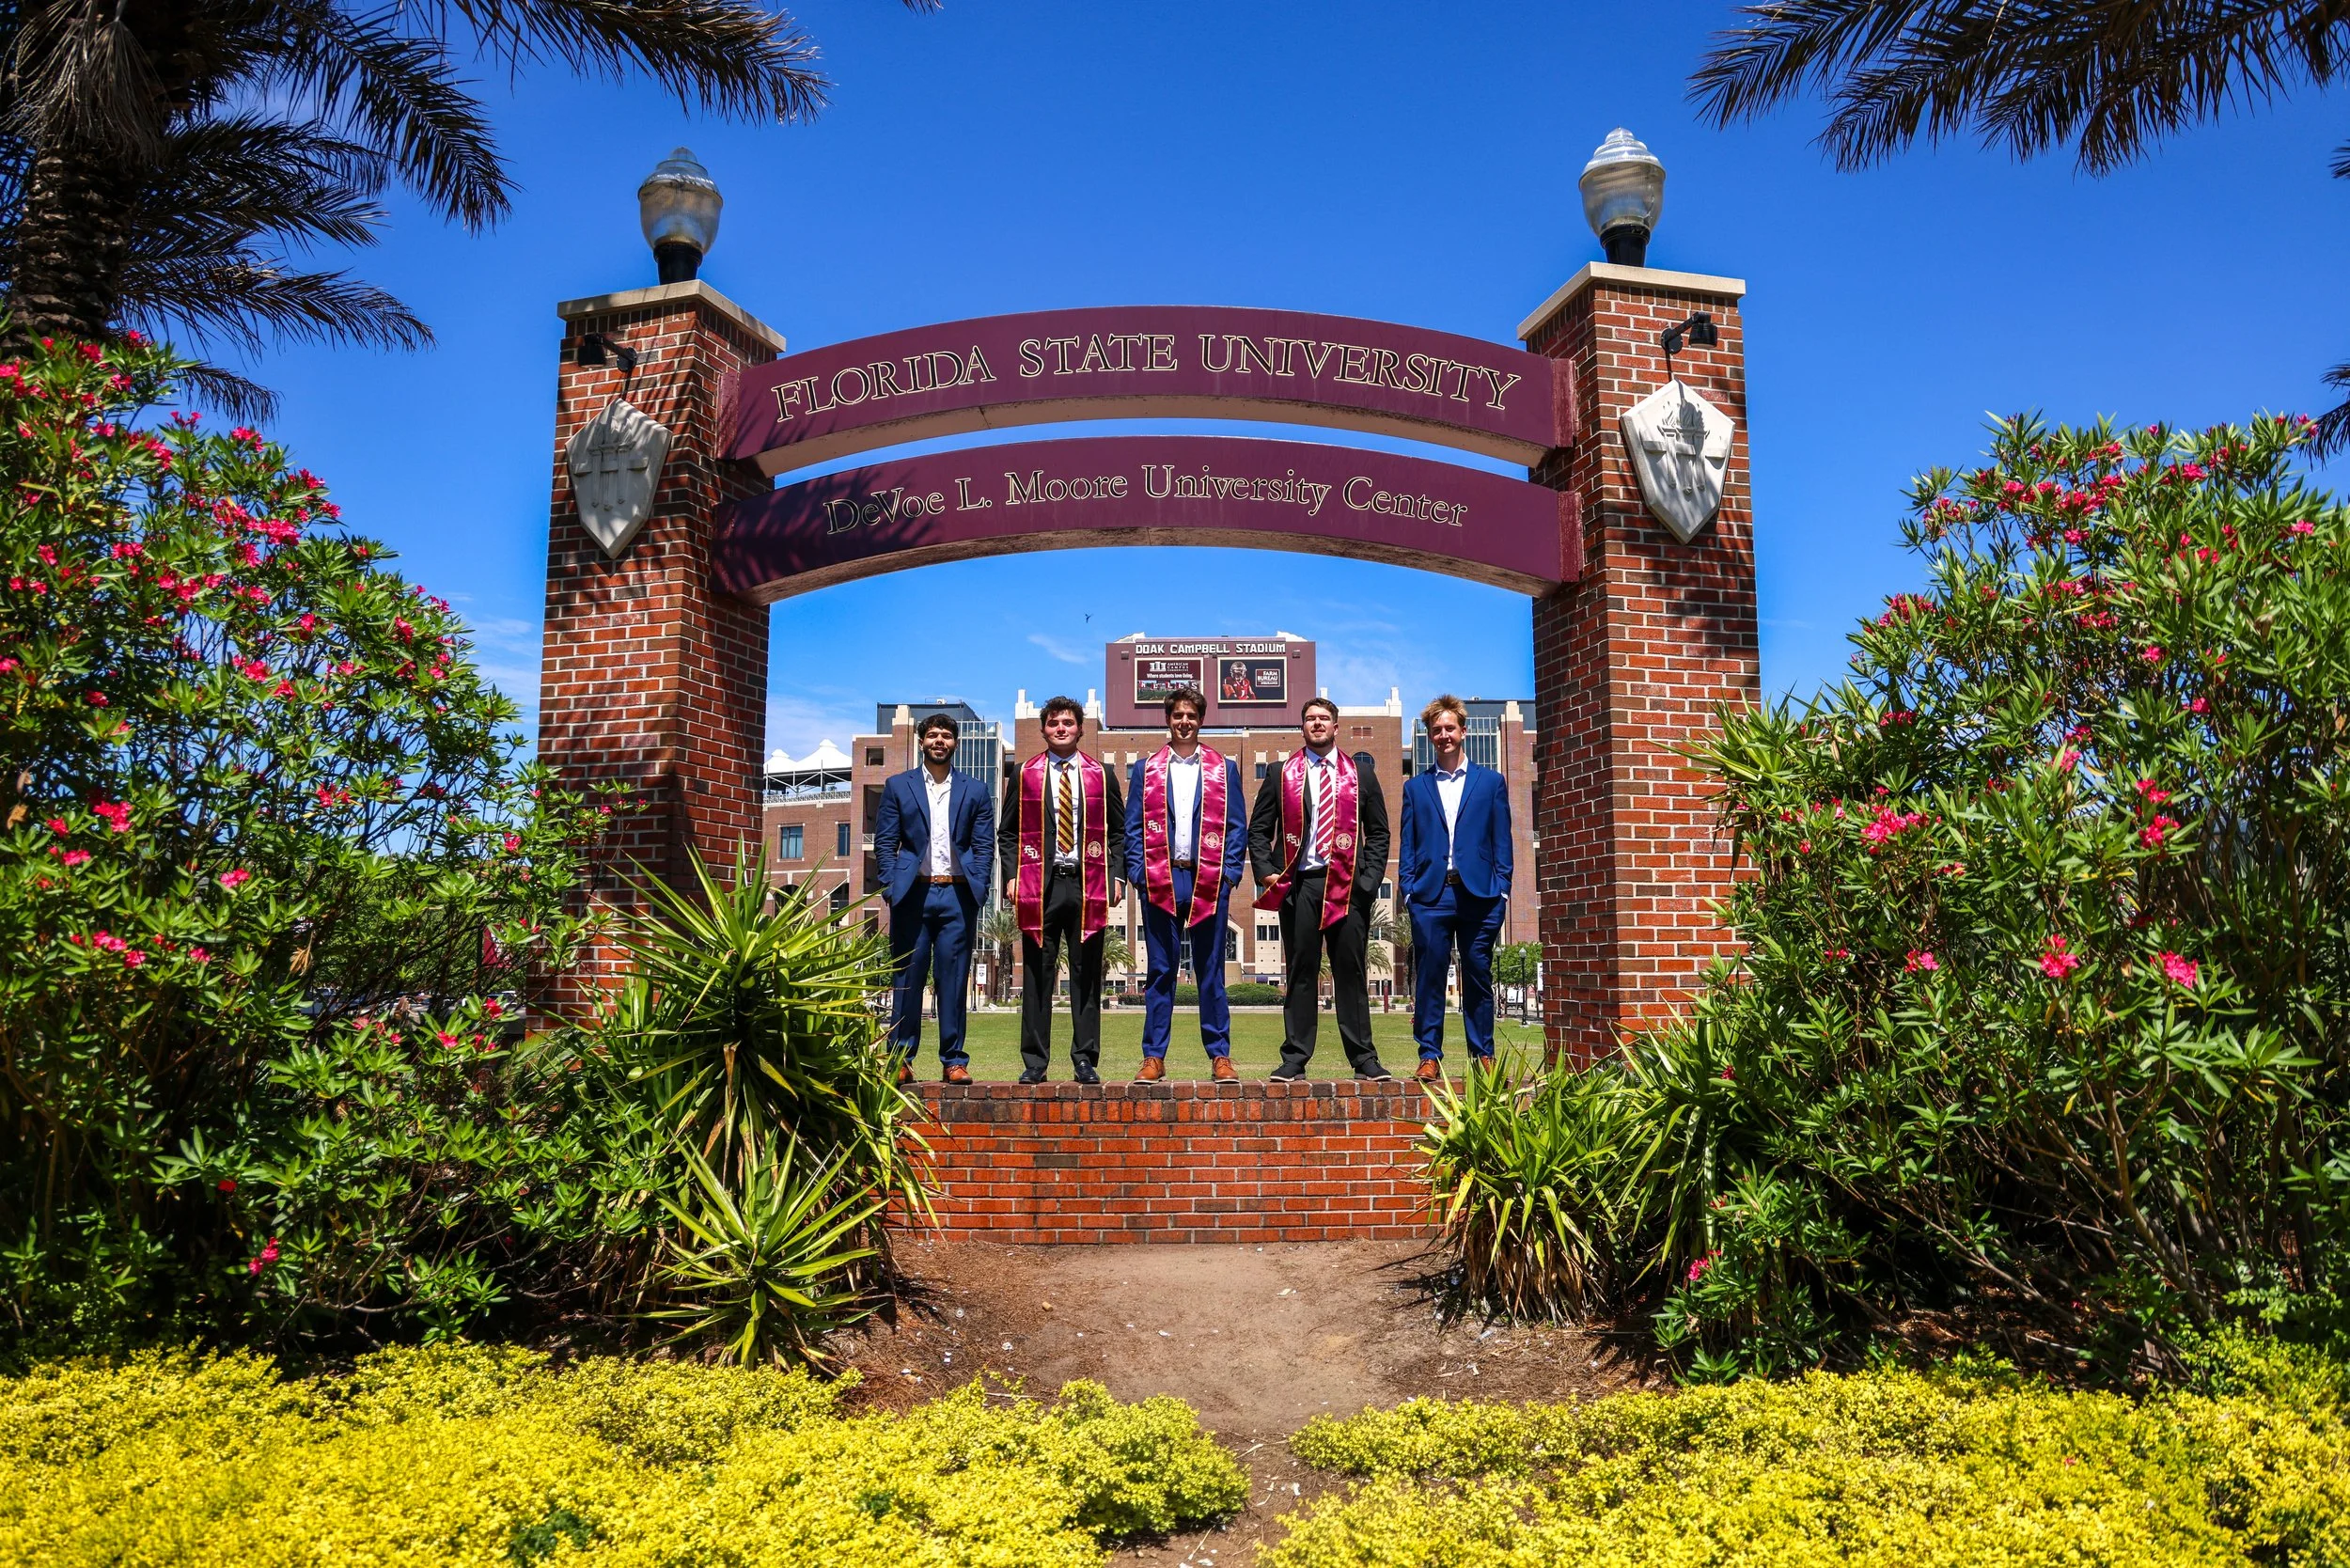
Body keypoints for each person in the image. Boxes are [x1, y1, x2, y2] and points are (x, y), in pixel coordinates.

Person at [1249, 696, 1394, 1081]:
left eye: (1324, 718)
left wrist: (1368, 882)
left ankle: (1364, 1059)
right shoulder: (1282, 773)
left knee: (1351, 971)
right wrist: (1267, 872)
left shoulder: (1360, 773)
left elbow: (1379, 833)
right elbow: (1259, 830)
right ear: (1302, 727)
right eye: (1310, 718)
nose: (1317, 724)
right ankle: (1295, 1058)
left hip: (1349, 887)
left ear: (1336, 726)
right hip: (1300, 887)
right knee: (1300, 971)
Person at [998, 695, 1126, 1085]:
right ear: (1043, 729)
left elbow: (1118, 832)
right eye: (1053, 723)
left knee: (1087, 976)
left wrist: (1117, 877)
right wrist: (1010, 874)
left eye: (1068, 722)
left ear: (1080, 728)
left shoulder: (1101, 774)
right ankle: (1035, 1061)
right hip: (1040, 886)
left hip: (1088, 885)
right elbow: (1007, 832)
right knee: (1038, 973)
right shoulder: (1025, 773)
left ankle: (1085, 1059)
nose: (1060, 728)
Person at [1123, 685, 1247, 1081]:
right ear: (1168, 719)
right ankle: (1154, 1056)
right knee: (1161, 970)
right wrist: (1139, 876)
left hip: (1208, 878)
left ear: (1201, 719)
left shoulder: (1222, 768)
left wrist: (1228, 875)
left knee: (1211, 970)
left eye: (1191, 715)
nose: (1184, 721)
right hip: (1160, 878)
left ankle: (1220, 1055)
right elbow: (1133, 828)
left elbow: (1236, 827)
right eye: (1177, 714)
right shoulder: (1147, 768)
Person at [1397, 695, 1514, 1081]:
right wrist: (1409, 890)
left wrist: (1503, 890)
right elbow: (1408, 844)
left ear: (1462, 731)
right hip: (1431, 896)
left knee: (1478, 973)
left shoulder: (1491, 782)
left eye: (1449, 728)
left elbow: (1502, 841)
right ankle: (1429, 1054)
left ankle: (1483, 1055)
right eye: (1436, 730)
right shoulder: (1416, 788)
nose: (1444, 735)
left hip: (1480, 895)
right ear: (1430, 737)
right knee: (1430, 975)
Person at [872, 712, 995, 1084]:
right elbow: (885, 842)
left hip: (958, 894)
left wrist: (981, 885)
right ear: (921, 742)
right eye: (933, 735)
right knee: (906, 978)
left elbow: (984, 844)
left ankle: (954, 1060)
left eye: (946, 735)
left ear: (955, 743)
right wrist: (891, 887)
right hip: (914, 894)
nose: (939, 741)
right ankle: (901, 1060)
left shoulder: (975, 790)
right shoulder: (898, 786)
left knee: (954, 980)